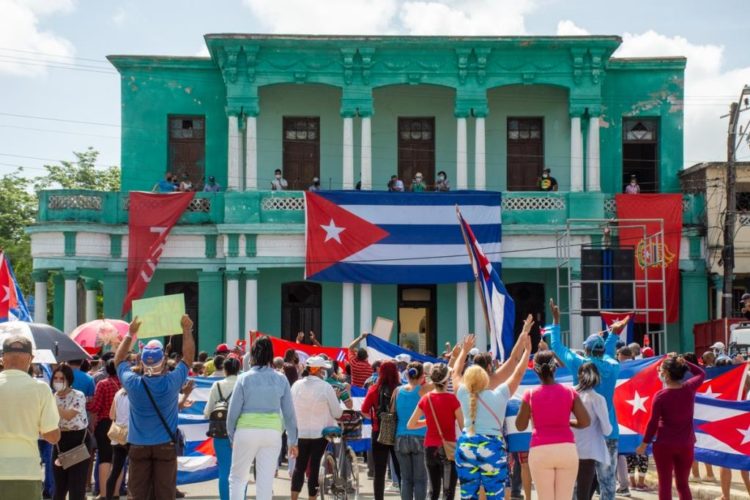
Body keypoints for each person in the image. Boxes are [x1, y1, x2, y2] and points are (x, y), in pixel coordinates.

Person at [549, 298, 629, 500]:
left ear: (585, 350)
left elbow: (556, 346)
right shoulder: (613, 366)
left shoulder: (579, 364)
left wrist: (556, 320)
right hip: (608, 430)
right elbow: (608, 355)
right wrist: (613, 334)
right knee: (608, 481)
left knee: (579, 481)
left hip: (582, 431)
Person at [113, 314, 195, 500]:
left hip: (138, 446)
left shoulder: (133, 383)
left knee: (138, 494)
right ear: (163, 361)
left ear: (141, 362)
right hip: (165, 446)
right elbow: (188, 358)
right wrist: (186, 330)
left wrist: (130, 334)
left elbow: (118, 361)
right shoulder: (172, 382)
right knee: (165, 494)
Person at [453, 319, 531, 500]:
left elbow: (455, 373)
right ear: (489, 370)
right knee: (495, 494)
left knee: (467, 494)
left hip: (466, 444)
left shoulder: (463, 392)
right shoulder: (500, 393)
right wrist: (526, 347)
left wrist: (464, 352)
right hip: (492, 445)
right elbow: (516, 368)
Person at [227, 335, 298, 500]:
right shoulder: (281, 379)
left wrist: (232, 436)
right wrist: (293, 441)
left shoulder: (243, 378)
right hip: (272, 434)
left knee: (237, 479)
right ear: (271, 355)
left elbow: (232, 413)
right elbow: (289, 414)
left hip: (245, 432)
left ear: (252, 355)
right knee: (265, 484)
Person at [516, 350, 591, 500]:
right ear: (555, 368)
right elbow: (585, 421)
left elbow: (520, 426)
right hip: (566, 449)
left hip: (540, 450)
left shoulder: (530, 394)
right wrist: (567, 422)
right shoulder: (570, 392)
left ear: (535, 370)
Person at [636, 354, 705, 500]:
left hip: (664, 445)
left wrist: (644, 444)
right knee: (683, 485)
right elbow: (701, 373)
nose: (659, 372)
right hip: (686, 445)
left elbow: (653, 423)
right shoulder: (689, 388)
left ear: (666, 374)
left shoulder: (660, 396)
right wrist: (683, 361)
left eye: (660, 370)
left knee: (665, 485)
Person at [0, 335, 61, 499]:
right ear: (31, 359)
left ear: (3, 357)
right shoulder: (40, 389)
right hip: (26, 469)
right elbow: (53, 436)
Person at [407, 362, 463, 500]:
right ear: (447, 380)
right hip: (448, 448)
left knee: (433, 490)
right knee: (448, 491)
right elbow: (463, 427)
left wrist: (428, 421)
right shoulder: (453, 400)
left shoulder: (426, 398)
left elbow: (410, 424)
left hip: (430, 447)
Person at [290, 356, 343, 500]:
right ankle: (312, 497)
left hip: (300, 433)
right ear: (320, 370)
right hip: (319, 434)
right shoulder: (326, 387)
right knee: (314, 468)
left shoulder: (296, 385)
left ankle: (293, 497)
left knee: (299, 467)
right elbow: (337, 413)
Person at [361, 360, 402, 500]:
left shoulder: (373, 389)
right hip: (398, 432)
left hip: (378, 431)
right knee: (400, 469)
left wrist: (376, 418)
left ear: (381, 372)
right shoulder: (401, 389)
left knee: (379, 471)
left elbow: (364, 410)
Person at [573, 363, 613, 500]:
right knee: (584, 492)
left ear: (579, 376)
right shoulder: (597, 399)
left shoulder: (569, 393)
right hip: (588, 452)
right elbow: (607, 430)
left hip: (569, 448)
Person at [51, 364, 90, 500]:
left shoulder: (78, 395)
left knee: (76, 487)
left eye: (62, 379)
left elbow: (69, 415)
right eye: (55, 378)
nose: (58, 381)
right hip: (59, 441)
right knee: (59, 486)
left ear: (69, 380)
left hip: (78, 440)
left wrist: (52, 404)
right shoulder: (51, 396)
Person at [203, 357, 240, 500]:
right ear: (238, 369)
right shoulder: (243, 383)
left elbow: (208, 412)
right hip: (240, 432)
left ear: (224, 369)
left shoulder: (217, 385)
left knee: (224, 470)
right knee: (240, 472)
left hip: (220, 432)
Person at [393, 362, 430, 500]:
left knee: (405, 479)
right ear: (422, 376)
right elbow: (443, 377)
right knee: (420, 479)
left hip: (400, 437)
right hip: (420, 437)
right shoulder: (423, 389)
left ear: (406, 375)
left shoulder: (397, 391)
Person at [88, 360, 121, 500]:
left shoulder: (103, 384)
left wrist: (86, 402)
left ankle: (104, 493)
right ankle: (116, 493)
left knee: (104, 459)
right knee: (120, 458)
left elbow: (95, 407)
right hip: (122, 424)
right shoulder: (126, 384)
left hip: (104, 424)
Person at [105, 385, 129, 500]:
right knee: (135, 471)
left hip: (118, 435)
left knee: (115, 472)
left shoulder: (118, 393)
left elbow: (111, 415)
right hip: (131, 435)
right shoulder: (136, 393)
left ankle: (108, 497)